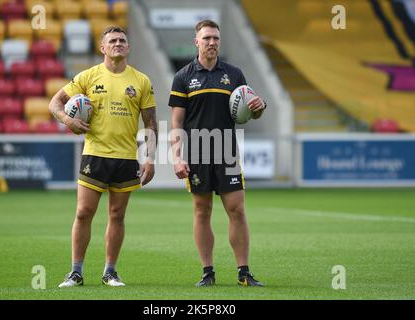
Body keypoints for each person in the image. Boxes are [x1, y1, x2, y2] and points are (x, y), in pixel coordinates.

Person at [49, 26, 157, 288]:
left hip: (125, 157)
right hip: (94, 155)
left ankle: (110, 272)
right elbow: (55, 103)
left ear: (128, 47)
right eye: (113, 41)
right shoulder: (87, 76)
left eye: (122, 40)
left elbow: (151, 123)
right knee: (84, 212)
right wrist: (67, 120)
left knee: (117, 215)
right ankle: (75, 272)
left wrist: (150, 157)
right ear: (103, 48)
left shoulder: (141, 80)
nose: (118, 44)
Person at [168, 20, 266, 287]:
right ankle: (207, 272)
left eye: (216, 38)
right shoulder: (183, 76)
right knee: (202, 211)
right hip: (197, 150)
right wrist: (177, 156)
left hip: (227, 150)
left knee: (237, 210)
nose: (212, 42)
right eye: (207, 38)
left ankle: (244, 272)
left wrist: (259, 106)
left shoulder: (234, 74)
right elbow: (176, 123)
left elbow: (248, 112)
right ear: (196, 42)